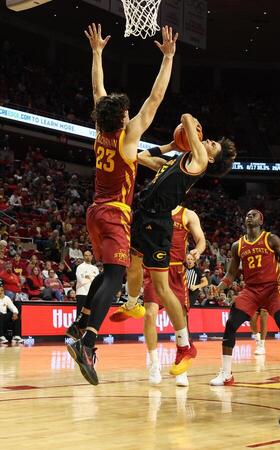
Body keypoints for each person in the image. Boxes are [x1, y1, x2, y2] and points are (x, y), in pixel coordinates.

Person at [66, 22, 178, 385]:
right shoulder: (128, 137)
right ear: (124, 119)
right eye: (128, 114)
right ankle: (88, 340)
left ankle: (78, 325)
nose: (132, 115)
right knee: (114, 276)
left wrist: (97, 53)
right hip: (115, 213)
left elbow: (97, 88)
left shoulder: (102, 128)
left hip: (94, 212)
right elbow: (155, 99)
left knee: (105, 272)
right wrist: (168, 59)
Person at [112, 124, 236, 376]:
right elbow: (141, 156)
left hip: (158, 224)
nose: (208, 141)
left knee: (161, 289)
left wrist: (192, 139)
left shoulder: (199, 162)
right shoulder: (175, 162)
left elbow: (187, 118)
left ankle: (184, 346)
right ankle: (133, 303)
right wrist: (171, 146)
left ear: (210, 157)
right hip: (143, 215)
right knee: (132, 263)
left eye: (212, 144)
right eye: (208, 140)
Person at [209, 209, 280, 386]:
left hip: (272, 289)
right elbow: (231, 274)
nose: (249, 216)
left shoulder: (271, 239)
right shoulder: (238, 245)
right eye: (247, 215)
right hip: (251, 291)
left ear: (261, 220)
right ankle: (226, 374)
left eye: (254, 215)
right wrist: (219, 288)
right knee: (231, 324)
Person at [143, 206, 206, 387]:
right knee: (149, 314)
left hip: (177, 270)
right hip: (154, 266)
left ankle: (182, 366)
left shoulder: (188, 214)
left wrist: (198, 250)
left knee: (182, 320)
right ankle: (154, 363)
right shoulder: (152, 209)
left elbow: (201, 239)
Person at [74, 250, 98, 316]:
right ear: (83, 257)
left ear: (92, 256)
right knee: (80, 315)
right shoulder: (80, 267)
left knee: (91, 315)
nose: (87, 257)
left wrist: (87, 277)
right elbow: (81, 281)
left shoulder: (95, 268)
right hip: (82, 293)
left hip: (92, 295)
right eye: (85, 255)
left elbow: (97, 282)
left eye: (89, 255)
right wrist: (92, 277)